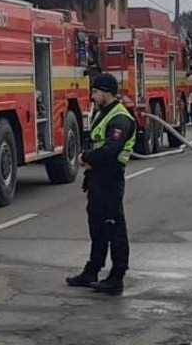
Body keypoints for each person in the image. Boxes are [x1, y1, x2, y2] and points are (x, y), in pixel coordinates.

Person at [66, 72, 137, 296]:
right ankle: (92, 270)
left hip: (109, 179)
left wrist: (85, 157)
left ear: (106, 92)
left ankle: (117, 277)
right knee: (97, 227)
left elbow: (110, 150)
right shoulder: (103, 113)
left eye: (95, 91)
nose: (92, 95)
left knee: (114, 228)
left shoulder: (120, 118)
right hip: (98, 180)